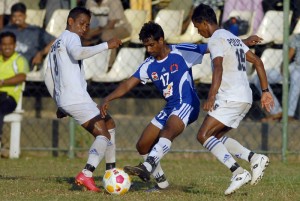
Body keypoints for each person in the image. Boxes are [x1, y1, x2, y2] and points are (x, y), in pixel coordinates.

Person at [99, 21, 260, 192]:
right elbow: (127, 85)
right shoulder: (148, 64)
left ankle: (147, 165)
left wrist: (243, 42)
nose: (149, 49)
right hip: (170, 107)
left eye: (152, 45)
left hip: (188, 103)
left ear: (161, 40)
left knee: (168, 130)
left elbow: (213, 46)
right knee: (143, 145)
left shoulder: (180, 51)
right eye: (146, 46)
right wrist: (107, 98)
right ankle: (162, 184)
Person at [191, 4, 274, 195]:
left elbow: (218, 67)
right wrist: (265, 91)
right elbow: (258, 62)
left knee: (203, 135)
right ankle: (254, 158)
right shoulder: (231, 37)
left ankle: (238, 172)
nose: (198, 31)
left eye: (198, 27)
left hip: (230, 97)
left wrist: (211, 96)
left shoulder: (215, 40)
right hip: (245, 97)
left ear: (204, 22)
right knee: (216, 137)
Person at [44, 7, 122, 192]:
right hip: (76, 98)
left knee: (109, 124)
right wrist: (106, 45)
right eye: (81, 23)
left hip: (70, 98)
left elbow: (48, 75)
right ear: (70, 21)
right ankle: (87, 174)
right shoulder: (72, 37)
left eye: (87, 25)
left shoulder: (56, 44)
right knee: (102, 135)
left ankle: (110, 172)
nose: (84, 28)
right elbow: (78, 54)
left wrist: (59, 101)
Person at [254, 33, 300, 121]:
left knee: (296, 76)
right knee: (259, 77)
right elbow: (290, 55)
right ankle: (276, 112)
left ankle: (288, 115)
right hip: (295, 66)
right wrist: (284, 65)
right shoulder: (297, 37)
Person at [1, 2, 55, 70]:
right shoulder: (6, 30)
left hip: (27, 65)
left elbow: (56, 41)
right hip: (6, 65)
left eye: (20, 16)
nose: (17, 19)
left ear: (25, 16)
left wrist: (41, 53)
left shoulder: (35, 31)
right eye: (14, 16)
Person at [0, 31, 29, 157]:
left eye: (10, 44)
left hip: (9, 97)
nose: (7, 47)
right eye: (4, 44)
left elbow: (22, 76)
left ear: (15, 45)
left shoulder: (19, 60)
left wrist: (2, 82)